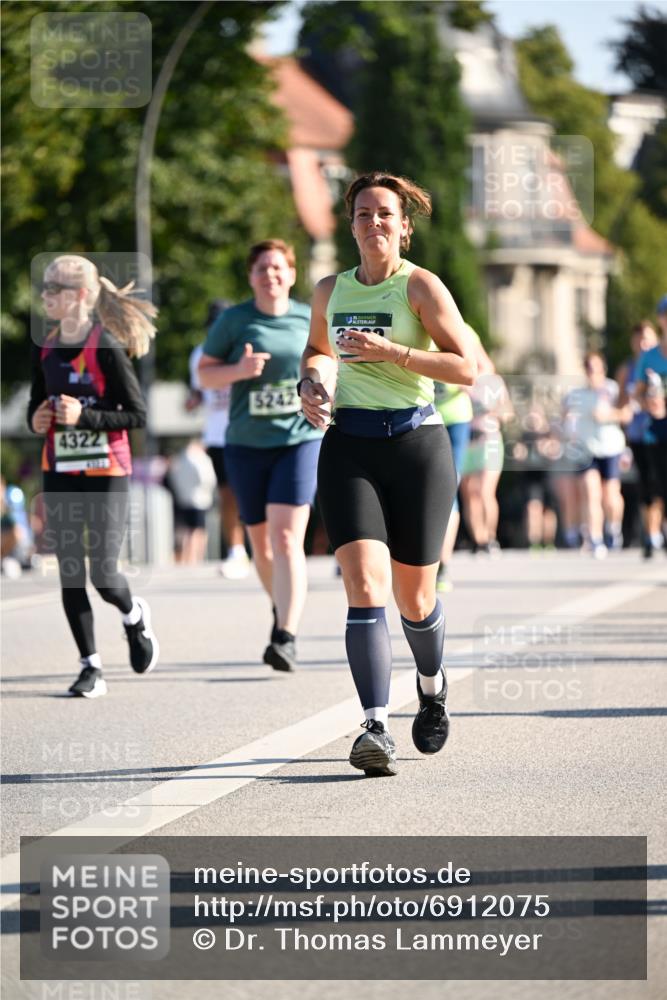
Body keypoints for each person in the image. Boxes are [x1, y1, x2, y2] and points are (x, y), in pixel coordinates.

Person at [299, 171, 477, 777]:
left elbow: (466, 368)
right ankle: (374, 726)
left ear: (403, 227)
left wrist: (394, 353)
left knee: (415, 597)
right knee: (363, 585)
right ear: (350, 226)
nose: (373, 222)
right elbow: (317, 351)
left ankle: (431, 685)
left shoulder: (420, 286)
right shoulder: (330, 289)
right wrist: (311, 383)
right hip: (349, 446)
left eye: (384, 214)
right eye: (363, 214)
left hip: (416, 446)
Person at [27, 255, 159, 698]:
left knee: (103, 573)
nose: (46, 295)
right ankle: (91, 666)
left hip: (107, 471)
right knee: (69, 572)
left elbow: (137, 414)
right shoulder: (45, 348)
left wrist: (84, 416)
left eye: (55, 288)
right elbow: (35, 407)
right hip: (60, 469)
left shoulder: (107, 347)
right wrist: (37, 419)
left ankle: (133, 615)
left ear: (81, 295)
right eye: (45, 287)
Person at [198, 239, 322, 672]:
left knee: (286, 538)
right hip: (246, 445)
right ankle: (281, 605)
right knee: (261, 547)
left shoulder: (308, 318)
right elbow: (204, 374)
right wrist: (238, 371)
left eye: (278, 267)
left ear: (291, 274)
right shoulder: (234, 321)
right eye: (262, 268)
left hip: (299, 439)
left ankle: (285, 635)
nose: (270, 274)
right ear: (251, 277)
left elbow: (330, 362)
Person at [188, 301, 249, 578]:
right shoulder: (199, 354)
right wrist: (193, 400)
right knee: (227, 494)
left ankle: (266, 544)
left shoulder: (245, 348)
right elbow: (199, 389)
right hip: (217, 435)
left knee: (254, 492)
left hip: (248, 431)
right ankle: (236, 551)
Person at [434, 328, 493, 590]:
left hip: (455, 417)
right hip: (420, 415)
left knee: (449, 485)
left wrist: (465, 380)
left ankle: (442, 565)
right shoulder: (412, 320)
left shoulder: (464, 329)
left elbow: (486, 367)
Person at [563, 351, 630, 559]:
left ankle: (613, 527)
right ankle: (595, 538)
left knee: (610, 495)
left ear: (603, 368)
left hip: (611, 448)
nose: (593, 372)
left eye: (596, 368)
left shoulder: (613, 389)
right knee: (591, 493)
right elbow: (564, 416)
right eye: (589, 368)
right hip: (586, 449)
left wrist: (609, 415)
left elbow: (627, 414)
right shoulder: (576, 394)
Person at [616, 321, 661, 557]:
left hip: (660, 431)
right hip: (638, 434)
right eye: (638, 340)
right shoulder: (628, 369)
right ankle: (650, 533)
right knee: (646, 483)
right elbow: (621, 404)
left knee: (660, 482)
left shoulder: (660, 361)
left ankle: (657, 530)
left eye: (647, 339)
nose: (643, 344)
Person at [459, 367, 512, 555]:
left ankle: (491, 537)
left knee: (485, 491)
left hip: (489, 439)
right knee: (469, 494)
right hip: (466, 441)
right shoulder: (459, 376)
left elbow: (507, 413)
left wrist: (490, 410)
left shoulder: (494, 381)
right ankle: (478, 539)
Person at [634, 295, 667, 552]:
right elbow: (637, 393)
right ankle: (655, 533)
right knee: (658, 484)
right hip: (656, 430)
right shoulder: (649, 356)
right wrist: (650, 403)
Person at [166, 438, 217, 564]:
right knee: (198, 531)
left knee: (186, 530)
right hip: (200, 499)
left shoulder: (181, 459)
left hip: (184, 499)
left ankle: (187, 557)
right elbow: (207, 479)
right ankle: (196, 557)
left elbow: (174, 478)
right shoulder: (200, 459)